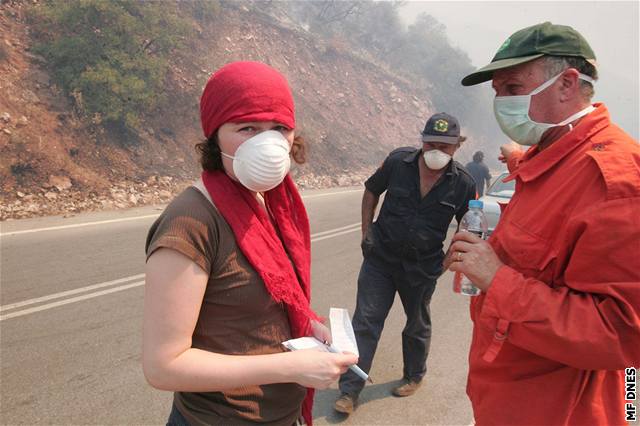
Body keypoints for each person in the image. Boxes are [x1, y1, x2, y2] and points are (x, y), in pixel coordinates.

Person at [142, 61, 358, 426]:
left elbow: (266, 303)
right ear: (215, 136)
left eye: (279, 129)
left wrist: (307, 326)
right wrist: (291, 367)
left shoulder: (270, 201)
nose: (268, 144)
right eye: (247, 128)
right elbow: (164, 367)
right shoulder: (191, 222)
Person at [449, 22, 640, 425]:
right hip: (508, 398)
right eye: (497, 91)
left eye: (513, 88)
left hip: (560, 411)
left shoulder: (616, 182)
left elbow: (621, 334)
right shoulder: (550, 155)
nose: (500, 102)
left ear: (567, 84)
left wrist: (496, 279)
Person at [334, 113, 476, 414]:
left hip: (423, 267)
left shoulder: (462, 182)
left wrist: (451, 257)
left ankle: (414, 375)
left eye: (445, 146)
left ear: (457, 146)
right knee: (366, 323)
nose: (437, 150)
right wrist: (366, 231)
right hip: (381, 260)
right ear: (421, 141)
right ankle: (349, 391)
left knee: (416, 325)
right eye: (431, 143)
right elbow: (371, 189)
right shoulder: (398, 163)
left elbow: (470, 222)